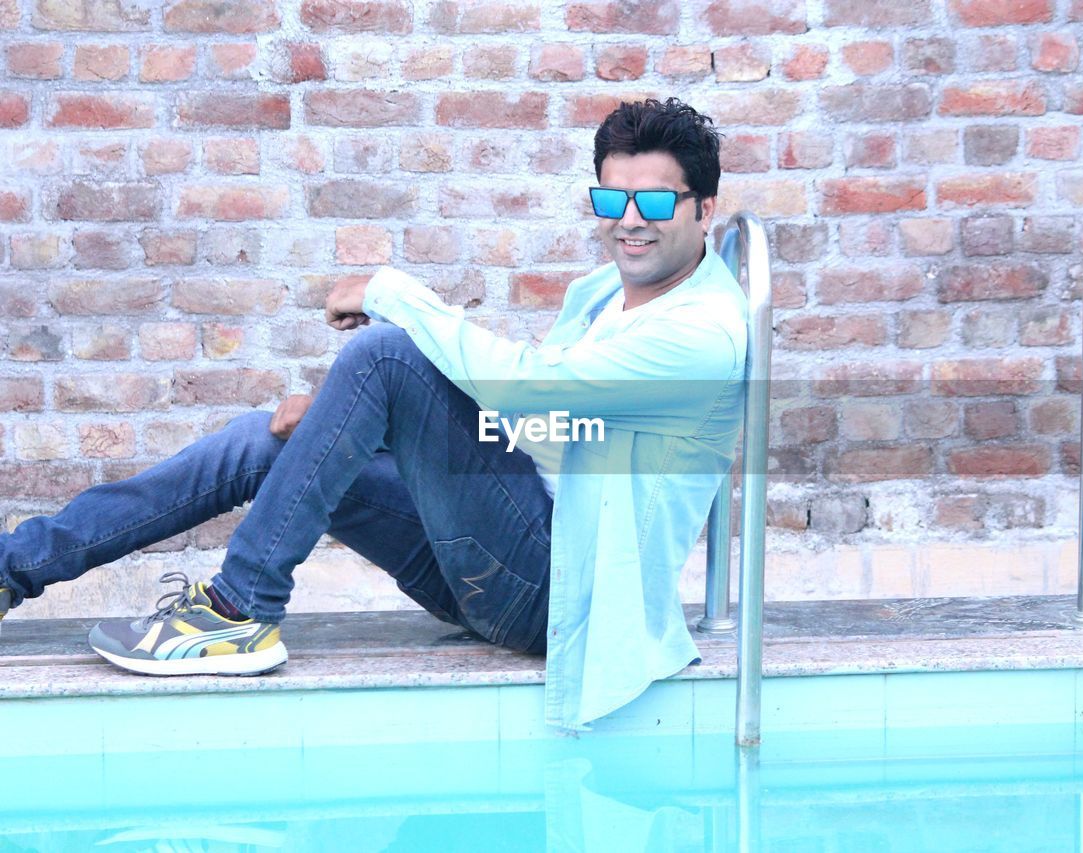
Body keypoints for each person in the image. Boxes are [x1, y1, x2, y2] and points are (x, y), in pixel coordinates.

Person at [0, 97, 747, 732]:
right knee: (266, 441)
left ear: (704, 209)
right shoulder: (603, 293)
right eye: (610, 200)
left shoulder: (702, 333)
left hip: (558, 596)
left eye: (653, 201)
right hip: (499, 563)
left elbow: (532, 391)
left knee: (385, 353)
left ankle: (239, 605)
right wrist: (339, 427)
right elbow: (545, 433)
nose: (628, 222)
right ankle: (15, 567)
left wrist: (392, 291)